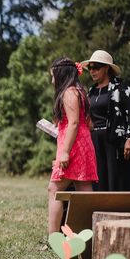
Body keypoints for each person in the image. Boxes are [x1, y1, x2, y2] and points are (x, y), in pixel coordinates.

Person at [47, 58, 98, 234]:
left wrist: (65, 152)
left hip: (74, 147)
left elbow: (75, 123)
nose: (53, 80)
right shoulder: (80, 92)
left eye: (53, 76)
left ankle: (53, 237)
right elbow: (87, 124)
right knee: (83, 190)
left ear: (61, 74)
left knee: (54, 189)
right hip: (84, 144)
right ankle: (91, 233)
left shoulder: (68, 93)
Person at [81, 50, 130, 191]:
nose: (92, 71)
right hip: (95, 139)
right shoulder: (91, 90)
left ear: (107, 68)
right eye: (90, 68)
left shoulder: (122, 86)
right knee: (99, 178)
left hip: (114, 138)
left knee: (117, 178)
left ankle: (120, 209)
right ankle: (101, 208)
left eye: (96, 67)